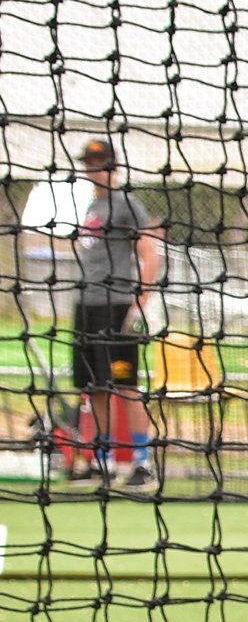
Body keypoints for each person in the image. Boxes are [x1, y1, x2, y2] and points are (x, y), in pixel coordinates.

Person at [66, 138, 165, 493]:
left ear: (113, 164)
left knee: (125, 385)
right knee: (94, 386)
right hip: (87, 304)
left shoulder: (127, 204)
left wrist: (141, 302)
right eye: (90, 163)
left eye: (100, 162)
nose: (94, 169)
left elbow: (149, 254)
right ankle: (102, 462)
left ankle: (142, 462)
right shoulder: (94, 206)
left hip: (116, 304)